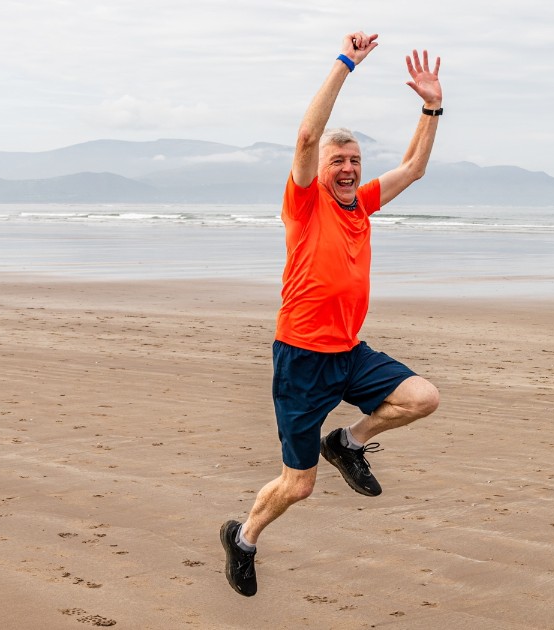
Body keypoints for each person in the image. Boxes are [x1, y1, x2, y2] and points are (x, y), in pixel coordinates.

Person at [220, 31, 444, 597]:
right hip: (300, 360)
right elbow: (306, 133)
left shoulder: (363, 204)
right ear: (320, 168)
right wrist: (346, 64)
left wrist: (432, 105)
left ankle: (347, 441)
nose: (347, 169)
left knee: (422, 397)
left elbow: (415, 168)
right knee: (298, 488)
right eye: (337, 161)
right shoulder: (304, 201)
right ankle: (243, 538)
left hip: (347, 353)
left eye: (354, 161)